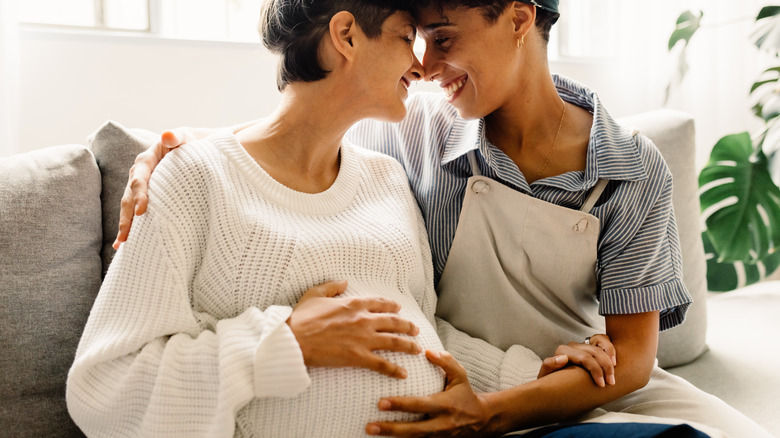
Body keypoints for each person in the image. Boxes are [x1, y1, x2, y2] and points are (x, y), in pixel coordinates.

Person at [111, 0, 769, 437]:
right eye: (419, 39)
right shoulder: (415, 131)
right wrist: (171, 148)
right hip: (466, 380)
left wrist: (488, 412)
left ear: (517, 16)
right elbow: (298, 132)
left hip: (574, 386)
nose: (423, 64)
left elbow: (628, 361)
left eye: (445, 38)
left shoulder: (633, 170)